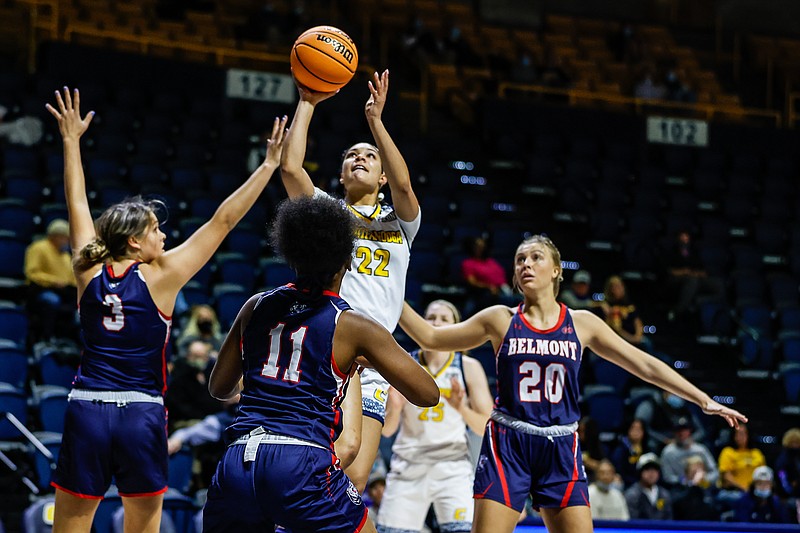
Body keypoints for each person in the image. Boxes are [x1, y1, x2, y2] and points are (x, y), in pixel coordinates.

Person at [45, 87, 288, 533]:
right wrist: (269, 166)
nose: (164, 235)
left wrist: (70, 141)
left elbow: (76, 202)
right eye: (156, 229)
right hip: (140, 413)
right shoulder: (162, 274)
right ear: (135, 242)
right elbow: (223, 221)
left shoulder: (86, 265)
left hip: (87, 409)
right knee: (142, 526)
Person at [397, 234, 746, 533]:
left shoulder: (581, 323)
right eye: (520, 260)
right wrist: (388, 289)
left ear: (556, 270)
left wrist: (702, 399)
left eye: (536, 257)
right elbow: (430, 335)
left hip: (561, 445)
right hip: (508, 443)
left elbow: (644, 364)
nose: (526, 264)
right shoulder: (500, 319)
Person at [201, 195, 439, 532]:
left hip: (238, 461)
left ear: (293, 256)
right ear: (346, 261)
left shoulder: (255, 306)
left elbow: (219, 387)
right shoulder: (352, 324)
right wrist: (369, 357)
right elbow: (428, 393)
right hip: (299, 460)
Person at [280, 69, 422, 493]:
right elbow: (290, 169)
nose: (359, 158)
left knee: (354, 478)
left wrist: (376, 121)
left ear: (381, 178)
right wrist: (307, 101)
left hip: (375, 359)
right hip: (329, 348)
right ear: (340, 175)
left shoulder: (402, 223)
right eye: (351, 156)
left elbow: (404, 183)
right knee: (320, 462)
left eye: (369, 156)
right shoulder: (328, 213)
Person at [378, 299, 494, 533]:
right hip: (408, 465)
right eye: (431, 317)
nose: (436, 323)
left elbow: (486, 427)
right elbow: (387, 430)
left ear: (456, 327)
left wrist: (461, 408)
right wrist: (396, 407)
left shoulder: (468, 367)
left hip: (452, 466)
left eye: (444, 319)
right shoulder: (404, 363)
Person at [24, 218, 77, 342]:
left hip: (63, 290)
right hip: (40, 289)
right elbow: (32, 273)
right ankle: (46, 337)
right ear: (54, 236)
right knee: (52, 300)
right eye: (64, 238)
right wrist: (53, 281)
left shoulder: (65, 255)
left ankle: (67, 339)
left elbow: (70, 278)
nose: (67, 241)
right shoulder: (38, 248)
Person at [165, 340, 223, 431]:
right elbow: (178, 406)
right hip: (186, 422)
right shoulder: (179, 376)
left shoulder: (212, 375)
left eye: (202, 356)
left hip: (210, 420)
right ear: (188, 356)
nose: (199, 360)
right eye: (195, 356)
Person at [665, 231, 725, 321]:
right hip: (677, 280)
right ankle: (678, 311)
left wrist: (697, 273)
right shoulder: (672, 253)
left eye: (687, 238)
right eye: (683, 237)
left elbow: (703, 271)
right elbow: (669, 271)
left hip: (695, 278)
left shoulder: (694, 253)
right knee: (692, 281)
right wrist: (684, 272)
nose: (685, 240)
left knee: (718, 284)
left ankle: (699, 302)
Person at [597, 275, 653, 352]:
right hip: (619, 338)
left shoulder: (629, 304)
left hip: (634, 336)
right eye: (615, 287)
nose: (619, 289)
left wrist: (637, 336)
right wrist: (631, 339)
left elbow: (637, 321)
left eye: (620, 286)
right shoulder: (607, 306)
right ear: (610, 289)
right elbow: (616, 329)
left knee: (647, 343)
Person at [461, 236, 514, 317]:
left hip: (503, 290)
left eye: (483, 246)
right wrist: (489, 287)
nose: (481, 248)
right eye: (478, 246)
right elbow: (472, 282)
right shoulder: (468, 263)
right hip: (483, 294)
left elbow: (502, 277)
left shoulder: (491, 262)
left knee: (520, 299)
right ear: (473, 248)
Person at [659, 417, 719, 488]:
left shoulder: (700, 449)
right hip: (680, 490)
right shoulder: (668, 452)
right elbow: (667, 477)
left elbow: (715, 472)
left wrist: (704, 479)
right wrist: (685, 480)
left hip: (702, 487)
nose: (681, 433)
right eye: (678, 430)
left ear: (689, 431)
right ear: (674, 432)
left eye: (684, 430)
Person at [717, 423, 766, 495]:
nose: (741, 437)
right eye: (738, 434)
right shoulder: (728, 452)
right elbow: (726, 476)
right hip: (734, 490)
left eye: (743, 434)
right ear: (733, 436)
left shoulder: (756, 453)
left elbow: (764, 473)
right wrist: (743, 488)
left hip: (754, 491)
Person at [624, 453, 673, 520]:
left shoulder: (664, 494)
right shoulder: (632, 495)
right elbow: (633, 521)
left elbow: (668, 519)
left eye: (655, 469)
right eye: (647, 469)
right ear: (640, 472)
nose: (651, 473)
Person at [672, 455, 718, 520]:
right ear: (687, 473)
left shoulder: (709, 488)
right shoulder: (680, 487)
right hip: (686, 524)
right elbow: (678, 503)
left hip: (707, 525)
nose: (697, 474)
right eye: (694, 472)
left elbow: (714, 506)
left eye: (699, 470)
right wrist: (694, 484)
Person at [610, 418, 651, 487]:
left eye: (639, 429)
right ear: (628, 430)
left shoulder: (648, 450)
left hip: (646, 483)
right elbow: (620, 472)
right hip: (627, 484)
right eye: (633, 428)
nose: (636, 432)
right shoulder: (620, 450)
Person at [775, 427, 800, 498]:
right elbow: (782, 477)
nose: (795, 445)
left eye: (797, 442)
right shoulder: (783, 459)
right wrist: (789, 490)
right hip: (787, 495)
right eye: (793, 442)